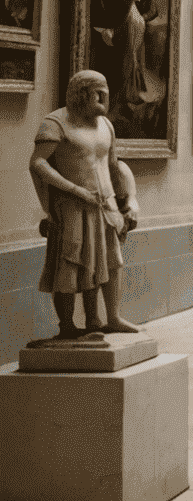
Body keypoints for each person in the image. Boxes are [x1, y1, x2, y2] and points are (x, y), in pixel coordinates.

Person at [28, 70, 141, 341]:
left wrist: (131, 198)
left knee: (110, 262)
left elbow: (116, 166)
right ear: (81, 93)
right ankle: (66, 326)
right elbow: (38, 163)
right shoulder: (55, 122)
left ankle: (106, 319)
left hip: (106, 203)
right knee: (69, 264)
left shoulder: (105, 125)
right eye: (97, 91)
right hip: (72, 205)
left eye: (106, 91)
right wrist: (74, 191)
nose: (105, 96)